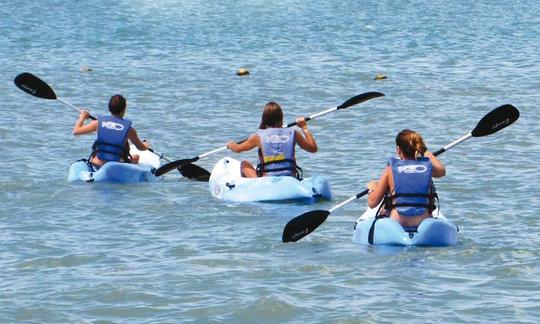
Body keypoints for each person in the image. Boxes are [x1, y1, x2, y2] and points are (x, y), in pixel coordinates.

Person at [367, 129, 446, 228]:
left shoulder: (391, 170)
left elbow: (372, 203)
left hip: (397, 221)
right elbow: (442, 171)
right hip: (422, 221)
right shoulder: (427, 166)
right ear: (418, 147)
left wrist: (372, 189)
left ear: (398, 150)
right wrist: (425, 152)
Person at [226, 101, 317, 178]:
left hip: (268, 179)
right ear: (281, 117)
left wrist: (231, 145)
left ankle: (255, 187)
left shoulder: (258, 136)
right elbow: (313, 148)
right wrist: (304, 127)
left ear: (264, 119)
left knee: (244, 164)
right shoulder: (293, 133)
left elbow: (237, 149)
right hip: (290, 177)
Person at [72, 94, 149, 168]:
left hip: (98, 162)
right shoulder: (129, 130)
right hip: (117, 164)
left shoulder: (98, 123)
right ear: (124, 110)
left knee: (95, 156)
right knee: (136, 157)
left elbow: (76, 131)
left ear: (109, 108)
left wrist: (82, 116)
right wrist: (146, 145)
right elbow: (141, 148)